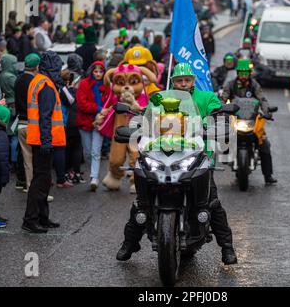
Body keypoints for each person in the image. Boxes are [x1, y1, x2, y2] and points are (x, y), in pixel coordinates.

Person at [116, 63, 238, 265]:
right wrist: (138, 126)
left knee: (212, 202)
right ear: (172, 82)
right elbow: (146, 117)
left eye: (187, 80)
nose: (183, 84)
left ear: (193, 80)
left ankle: (227, 247)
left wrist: (217, 121)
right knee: (141, 201)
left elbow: (219, 113)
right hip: (161, 153)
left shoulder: (206, 97)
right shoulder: (160, 99)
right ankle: (130, 242)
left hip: (197, 154)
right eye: (179, 80)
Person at [23, 51, 64, 233]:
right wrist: (46, 141)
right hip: (43, 139)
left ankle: (42, 217)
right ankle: (30, 219)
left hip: (38, 137)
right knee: (41, 180)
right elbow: (45, 117)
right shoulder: (46, 85)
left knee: (44, 179)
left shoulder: (38, 80)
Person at [222, 59, 277, 185]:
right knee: (222, 136)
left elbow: (262, 99)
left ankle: (268, 175)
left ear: (249, 73)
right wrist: (220, 108)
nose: (243, 76)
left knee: (264, 143)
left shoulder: (254, 85)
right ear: (237, 73)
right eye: (241, 73)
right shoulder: (230, 85)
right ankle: (224, 157)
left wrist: (267, 111)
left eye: (245, 73)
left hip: (252, 118)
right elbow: (222, 98)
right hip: (235, 118)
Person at [76, 61, 111, 191]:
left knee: (96, 151)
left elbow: (111, 102)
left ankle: (94, 177)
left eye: (101, 71)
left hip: (99, 123)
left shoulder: (107, 85)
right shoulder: (84, 84)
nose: (98, 74)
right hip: (85, 122)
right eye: (95, 71)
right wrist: (98, 108)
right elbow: (82, 103)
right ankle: (93, 173)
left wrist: (103, 112)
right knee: (87, 152)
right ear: (91, 71)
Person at [15, 53, 40, 194]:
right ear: (36, 66)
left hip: (21, 122)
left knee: (24, 156)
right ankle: (32, 187)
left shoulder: (18, 79)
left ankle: (22, 181)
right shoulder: (34, 82)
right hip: (32, 122)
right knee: (35, 158)